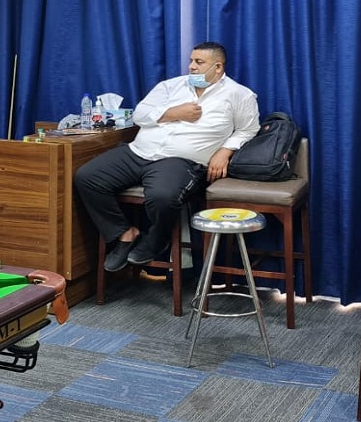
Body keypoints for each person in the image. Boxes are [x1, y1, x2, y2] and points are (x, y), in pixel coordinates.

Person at [75, 41, 260, 272]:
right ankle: (124, 233)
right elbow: (140, 114)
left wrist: (225, 151)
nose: (191, 66)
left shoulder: (239, 94)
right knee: (87, 177)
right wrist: (172, 113)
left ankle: (157, 237)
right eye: (191, 61)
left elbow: (248, 129)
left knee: (162, 196)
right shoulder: (171, 86)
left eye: (199, 62)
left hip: (179, 161)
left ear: (218, 67)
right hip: (139, 151)